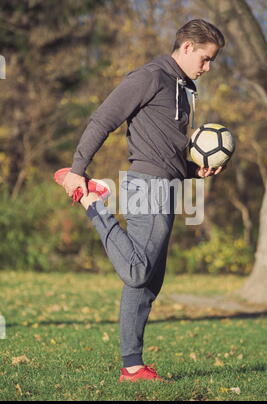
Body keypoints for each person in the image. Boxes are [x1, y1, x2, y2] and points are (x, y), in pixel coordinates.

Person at [54, 19, 225, 382]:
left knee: (148, 282)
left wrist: (195, 172)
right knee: (136, 270)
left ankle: (132, 366)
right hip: (145, 184)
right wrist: (77, 170)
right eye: (206, 59)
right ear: (188, 47)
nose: (208, 68)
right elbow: (103, 119)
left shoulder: (181, 87)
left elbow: (167, 147)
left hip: (167, 185)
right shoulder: (149, 77)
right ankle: (94, 201)